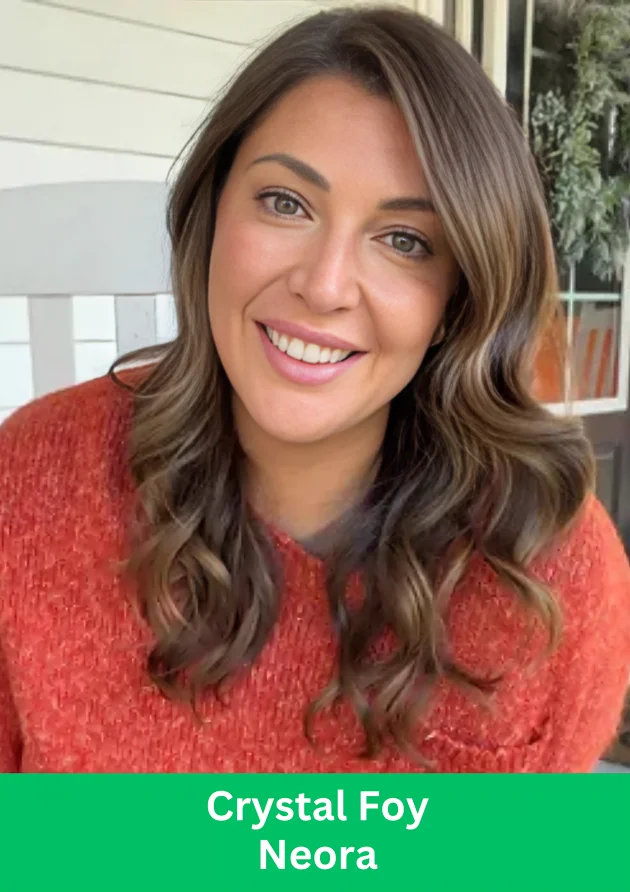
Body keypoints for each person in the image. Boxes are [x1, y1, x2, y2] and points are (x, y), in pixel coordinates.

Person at [1, 4, 629, 774]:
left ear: (454, 302)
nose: (326, 286)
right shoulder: (29, 482)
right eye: (285, 203)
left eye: (405, 241)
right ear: (212, 215)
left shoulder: (552, 570)